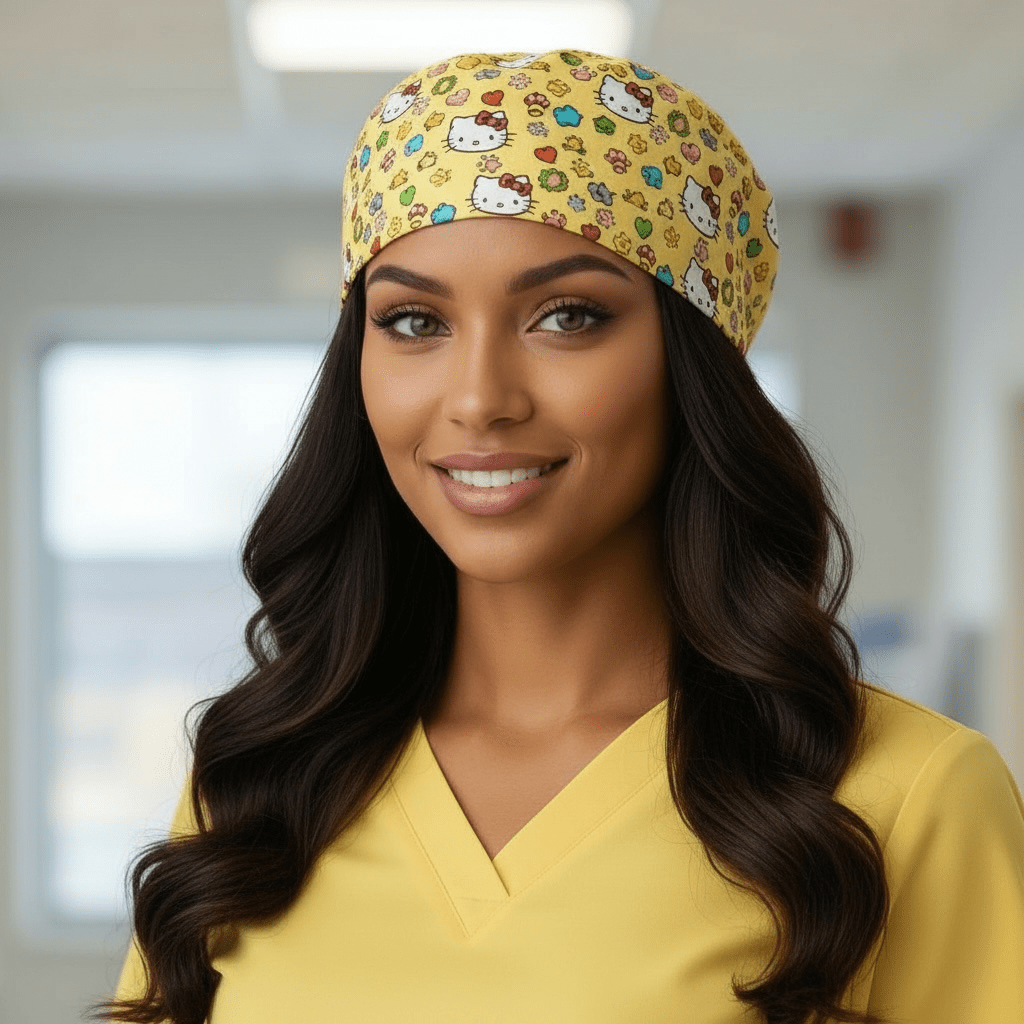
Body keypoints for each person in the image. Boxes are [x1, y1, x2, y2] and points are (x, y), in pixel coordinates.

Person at [101, 50, 1024, 1024]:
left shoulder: (906, 797)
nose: (478, 399)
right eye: (414, 320)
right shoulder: (256, 779)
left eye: (567, 315)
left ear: (690, 360)